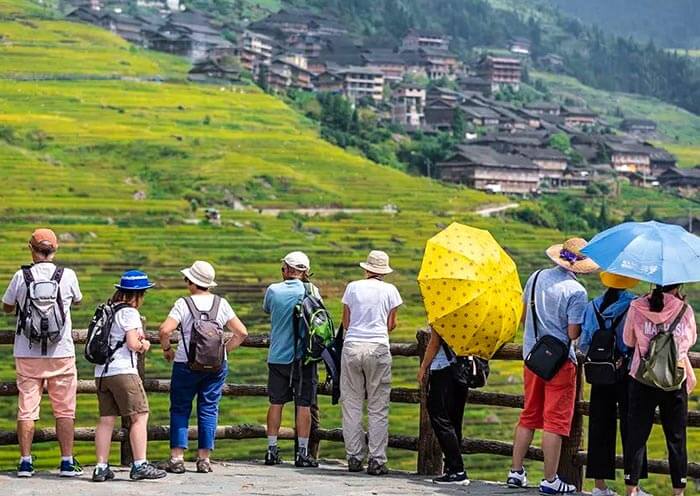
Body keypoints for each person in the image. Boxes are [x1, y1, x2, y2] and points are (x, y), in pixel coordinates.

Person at [507, 238, 598, 495]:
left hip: (532, 358)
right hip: (559, 363)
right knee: (555, 422)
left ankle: (515, 472)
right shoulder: (576, 291)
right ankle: (550, 480)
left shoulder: (535, 277)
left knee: (529, 415)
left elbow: (524, 316)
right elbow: (572, 333)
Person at [2, 228, 83, 478]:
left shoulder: (21, 276)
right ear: (55, 250)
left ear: (31, 248)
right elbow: (78, 300)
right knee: (65, 410)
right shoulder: (67, 275)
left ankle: (25, 462)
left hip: (27, 353)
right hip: (61, 353)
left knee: (27, 410)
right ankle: (67, 462)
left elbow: (7, 307)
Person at [158, 261, 248, 474]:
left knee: (180, 408)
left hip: (185, 364)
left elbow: (164, 330)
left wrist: (167, 350)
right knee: (209, 409)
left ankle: (177, 458)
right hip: (216, 367)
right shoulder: (221, 304)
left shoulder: (183, 303)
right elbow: (242, 333)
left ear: (191, 281)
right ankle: (204, 459)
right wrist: (224, 351)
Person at [92, 271, 167, 482]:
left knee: (106, 421)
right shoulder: (130, 312)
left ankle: (101, 467)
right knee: (140, 416)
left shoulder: (108, 308)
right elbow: (134, 344)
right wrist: (145, 345)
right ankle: (140, 464)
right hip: (123, 371)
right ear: (139, 294)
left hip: (102, 373)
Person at [623, 284, 697, 496]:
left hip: (643, 378)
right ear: (678, 285)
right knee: (676, 437)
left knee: (636, 435)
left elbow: (628, 340)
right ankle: (678, 491)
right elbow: (690, 341)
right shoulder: (685, 310)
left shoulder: (636, 306)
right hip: (675, 380)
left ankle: (631, 489)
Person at [579, 272, 647, 496]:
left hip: (600, 374)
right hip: (627, 374)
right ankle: (633, 487)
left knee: (599, 426)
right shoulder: (634, 305)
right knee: (632, 429)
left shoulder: (593, 307)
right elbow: (635, 340)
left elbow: (584, 342)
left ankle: (599, 487)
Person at [341, 250, 402, 476]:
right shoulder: (391, 291)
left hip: (352, 347)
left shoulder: (352, 287)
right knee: (378, 406)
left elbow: (346, 322)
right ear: (384, 271)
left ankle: (354, 457)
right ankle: (377, 460)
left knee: (352, 404)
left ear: (366, 269)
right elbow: (391, 324)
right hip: (378, 348)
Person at [263, 251, 321, 468]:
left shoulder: (273, 290)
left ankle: (271, 449)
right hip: (304, 358)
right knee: (304, 404)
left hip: (278, 355)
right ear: (305, 271)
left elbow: (267, 309)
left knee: (276, 402)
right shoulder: (312, 290)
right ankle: (303, 453)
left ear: (286, 270)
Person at [417, 329, 469, 485]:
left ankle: (456, 469)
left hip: (442, 369)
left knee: (438, 416)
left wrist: (423, 367)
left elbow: (434, 343)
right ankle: (452, 469)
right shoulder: (470, 315)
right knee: (454, 420)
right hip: (461, 369)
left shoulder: (441, 313)